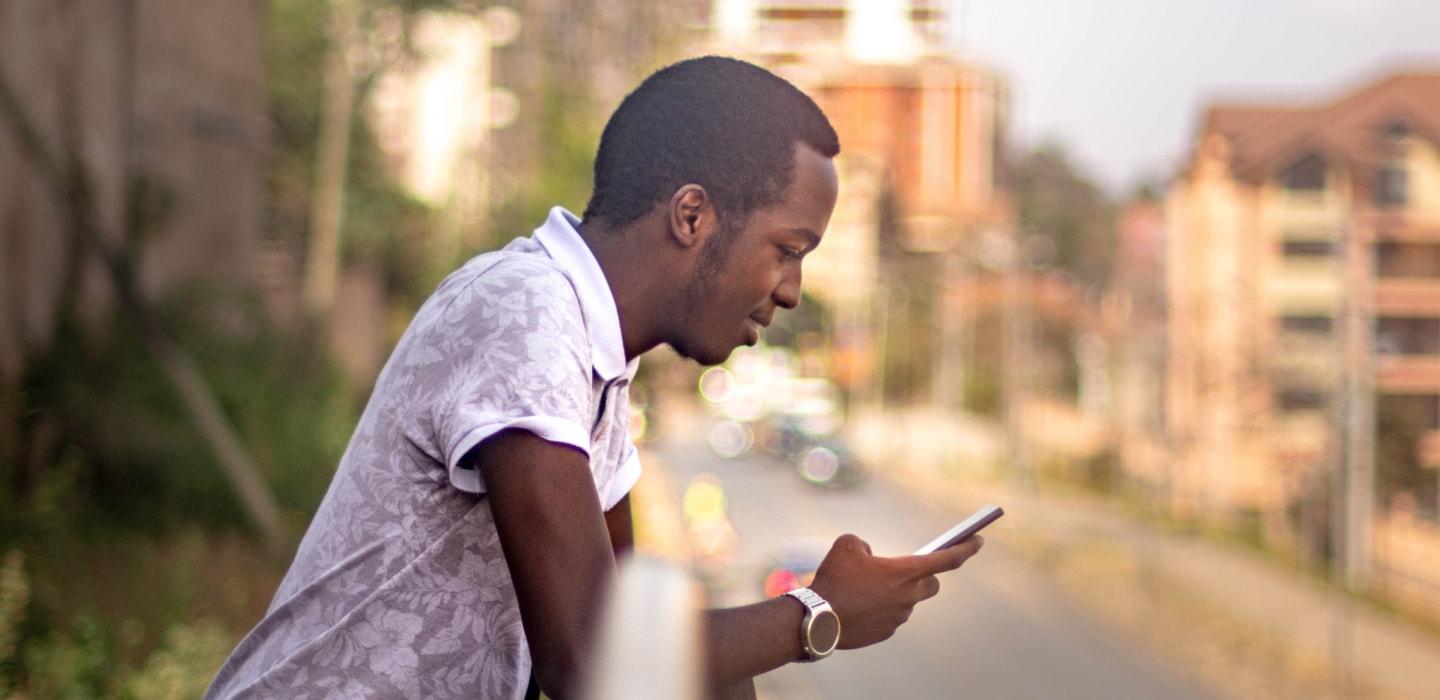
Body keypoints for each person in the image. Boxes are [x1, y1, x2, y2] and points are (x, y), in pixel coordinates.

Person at [205, 55, 983, 700]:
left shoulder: (599, 363)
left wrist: (799, 624)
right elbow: (590, 662)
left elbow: (642, 630)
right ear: (692, 216)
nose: (791, 292)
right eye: (787, 250)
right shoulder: (524, 311)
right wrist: (816, 614)